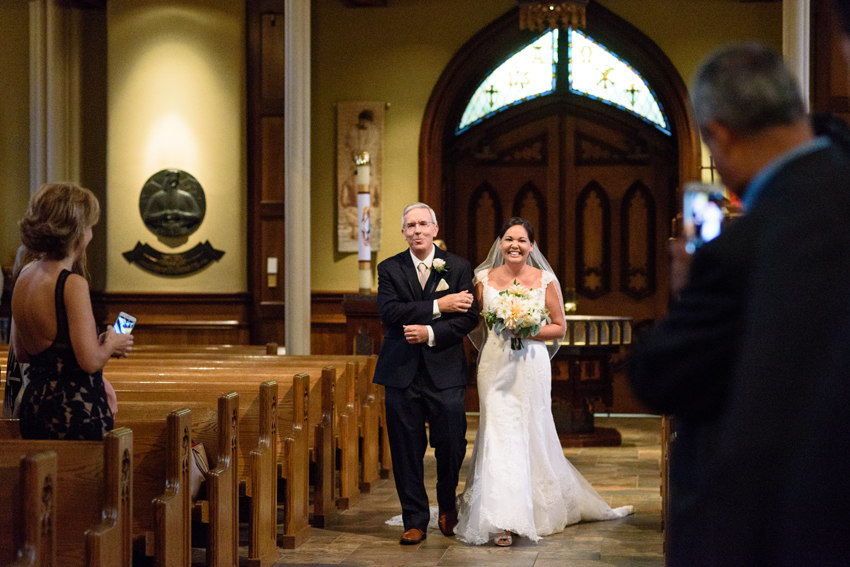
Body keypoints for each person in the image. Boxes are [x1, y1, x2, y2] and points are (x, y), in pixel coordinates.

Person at [629, 43, 850, 565]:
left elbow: (663, 375)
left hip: (775, 521)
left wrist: (688, 292)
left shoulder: (745, 247)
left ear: (720, 134)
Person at [455, 217, 633, 547]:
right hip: (494, 364)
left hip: (531, 364)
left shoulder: (545, 280)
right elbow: (469, 321)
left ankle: (534, 508)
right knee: (497, 430)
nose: (514, 245)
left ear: (532, 246)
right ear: (499, 243)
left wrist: (527, 330)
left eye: (522, 240)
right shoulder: (483, 279)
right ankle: (501, 519)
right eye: (508, 239)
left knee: (530, 429)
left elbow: (559, 327)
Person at [374, 202, 479, 545]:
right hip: (401, 370)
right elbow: (390, 312)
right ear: (403, 232)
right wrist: (439, 305)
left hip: (445, 370)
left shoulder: (459, 267)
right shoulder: (389, 268)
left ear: (435, 229)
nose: (417, 230)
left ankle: (447, 506)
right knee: (405, 449)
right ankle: (415, 519)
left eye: (423, 224)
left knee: (451, 443)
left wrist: (430, 332)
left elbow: (468, 317)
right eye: (410, 225)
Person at [12, 182, 133, 440]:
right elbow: (90, 361)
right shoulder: (71, 283)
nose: (90, 235)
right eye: (89, 227)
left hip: (34, 408)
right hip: (75, 411)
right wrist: (111, 342)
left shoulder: (24, 276)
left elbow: (22, 352)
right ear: (75, 231)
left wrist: (95, 342)